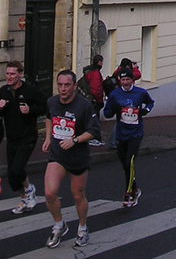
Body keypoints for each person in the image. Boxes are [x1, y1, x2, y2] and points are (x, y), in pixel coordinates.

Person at [42, 70, 101, 248]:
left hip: (78, 157)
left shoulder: (83, 106)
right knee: (49, 193)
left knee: (78, 195)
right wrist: (47, 138)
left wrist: (74, 140)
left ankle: (82, 228)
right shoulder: (52, 102)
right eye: (60, 85)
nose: (63, 89)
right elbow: (48, 118)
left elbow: (94, 131)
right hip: (57, 156)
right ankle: (59, 225)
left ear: (74, 86)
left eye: (67, 85)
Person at [0, 60, 47, 214]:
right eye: (7, 73)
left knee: (17, 168)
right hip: (12, 137)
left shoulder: (30, 90)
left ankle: (29, 190)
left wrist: (30, 110)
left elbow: (45, 106)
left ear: (20, 74)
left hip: (27, 136)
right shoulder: (3, 91)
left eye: (12, 74)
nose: (9, 77)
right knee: (12, 175)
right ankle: (24, 197)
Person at [104, 67, 154, 207]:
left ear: (133, 80)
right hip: (121, 133)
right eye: (123, 79)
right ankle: (135, 188)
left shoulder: (140, 93)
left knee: (129, 162)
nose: (125, 82)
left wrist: (145, 110)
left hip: (136, 133)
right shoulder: (115, 94)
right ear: (120, 80)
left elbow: (150, 102)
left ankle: (129, 193)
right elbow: (107, 113)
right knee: (124, 164)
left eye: (128, 79)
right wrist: (114, 109)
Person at [108, 58, 142, 149]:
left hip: (118, 98)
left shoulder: (117, 71)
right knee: (123, 121)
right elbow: (138, 75)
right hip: (124, 99)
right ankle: (115, 142)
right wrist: (134, 68)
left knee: (121, 120)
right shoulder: (126, 73)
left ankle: (117, 141)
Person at [85, 54, 105, 146]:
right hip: (94, 101)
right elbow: (96, 88)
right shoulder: (95, 73)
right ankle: (95, 137)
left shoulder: (89, 72)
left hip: (89, 99)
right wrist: (99, 100)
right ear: (99, 62)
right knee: (95, 120)